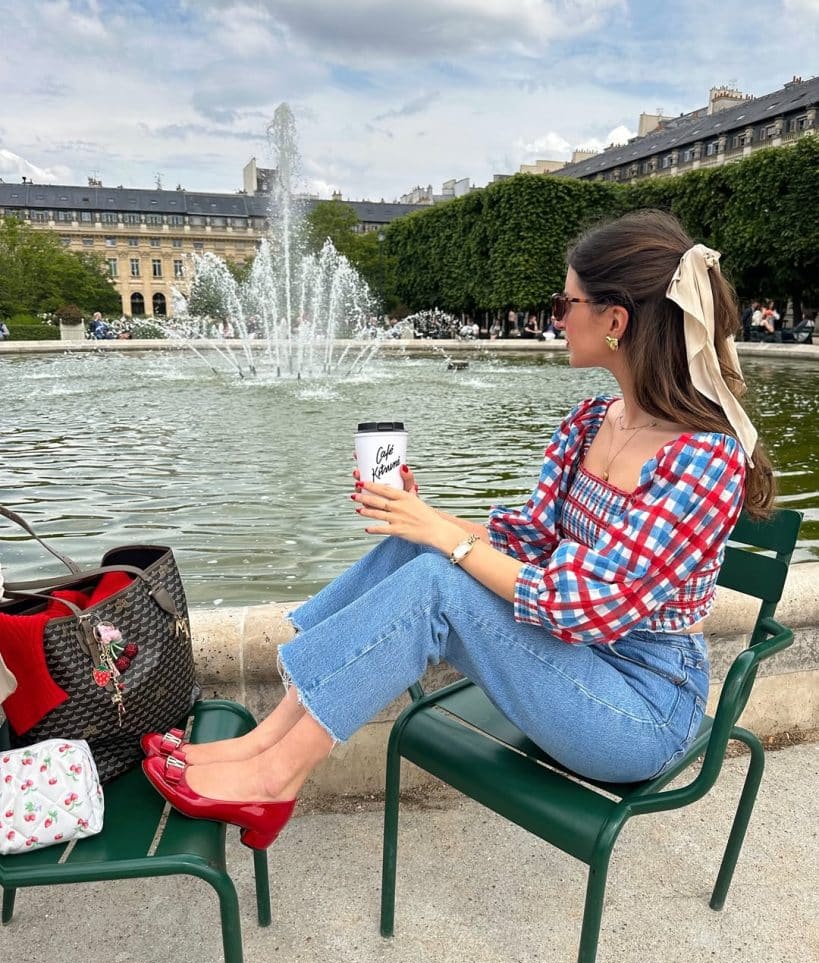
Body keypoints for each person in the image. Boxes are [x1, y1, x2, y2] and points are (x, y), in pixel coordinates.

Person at [141, 209, 774, 851]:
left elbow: (583, 610)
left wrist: (449, 538)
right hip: (567, 666)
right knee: (415, 546)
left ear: (615, 321)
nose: (557, 316)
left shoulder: (705, 459)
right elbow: (528, 539)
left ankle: (275, 781)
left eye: (566, 301)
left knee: (438, 582)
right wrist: (425, 520)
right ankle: (261, 742)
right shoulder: (594, 421)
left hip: (639, 707)